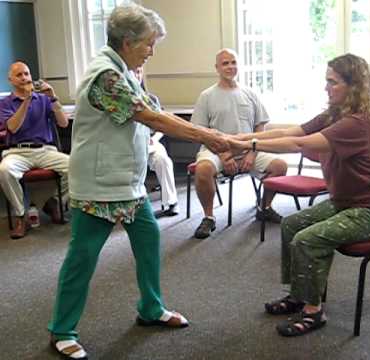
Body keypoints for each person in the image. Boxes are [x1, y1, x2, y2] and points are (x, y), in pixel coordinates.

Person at [47, 4, 228, 360]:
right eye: (148, 43)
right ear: (127, 41)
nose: (152, 50)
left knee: (148, 242)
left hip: (126, 183)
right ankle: (62, 329)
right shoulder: (106, 77)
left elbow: (152, 110)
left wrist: (208, 134)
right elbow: (151, 118)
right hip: (99, 185)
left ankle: (150, 307)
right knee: (82, 257)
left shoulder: (126, 70)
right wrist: (211, 136)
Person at [228, 53, 370, 337]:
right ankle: (298, 294)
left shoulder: (357, 123)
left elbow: (298, 142)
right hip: (346, 203)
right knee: (291, 225)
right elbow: (293, 130)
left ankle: (313, 311)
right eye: (326, 81)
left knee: (308, 240)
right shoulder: (334, 114)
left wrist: (249, 144)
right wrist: (239, 139)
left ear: (353, 86)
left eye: (332, 82)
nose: (326, 88)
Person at [191, 48, 288, 239]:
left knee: (280, 166)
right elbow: (201, 133)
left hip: (247, 149)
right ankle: (208, 218)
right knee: (202, 170)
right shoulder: (207, 96)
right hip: (216, 150)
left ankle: (264, 207)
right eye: (225, 63)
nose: (230, 66)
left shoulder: (249, 93)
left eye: (233, 62)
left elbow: (260, 127)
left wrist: (253, 152)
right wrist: (224, 155)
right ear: (217, 68)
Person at [0, 62, 69, 239]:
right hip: (16, 152)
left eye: (27, 74)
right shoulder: (5, 103)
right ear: (11, 80)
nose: (24, 78)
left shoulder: (45, 99)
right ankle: (21, 216)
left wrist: (53, 97)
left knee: (76, 165)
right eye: (19, 75)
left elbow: (63, 123)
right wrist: (27, 100)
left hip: (45, 150)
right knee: (4, 170)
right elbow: (13, 127)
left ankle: (55, 202)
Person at [133, 66, 179, 217]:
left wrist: (154, 139)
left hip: (150, 143)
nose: (137, 75)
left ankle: (170, 202)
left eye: (139, 72)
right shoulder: (119, 100)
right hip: (128, 146)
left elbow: (162, 126)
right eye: (133, 71)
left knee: (163, 161)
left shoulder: (151, 99)